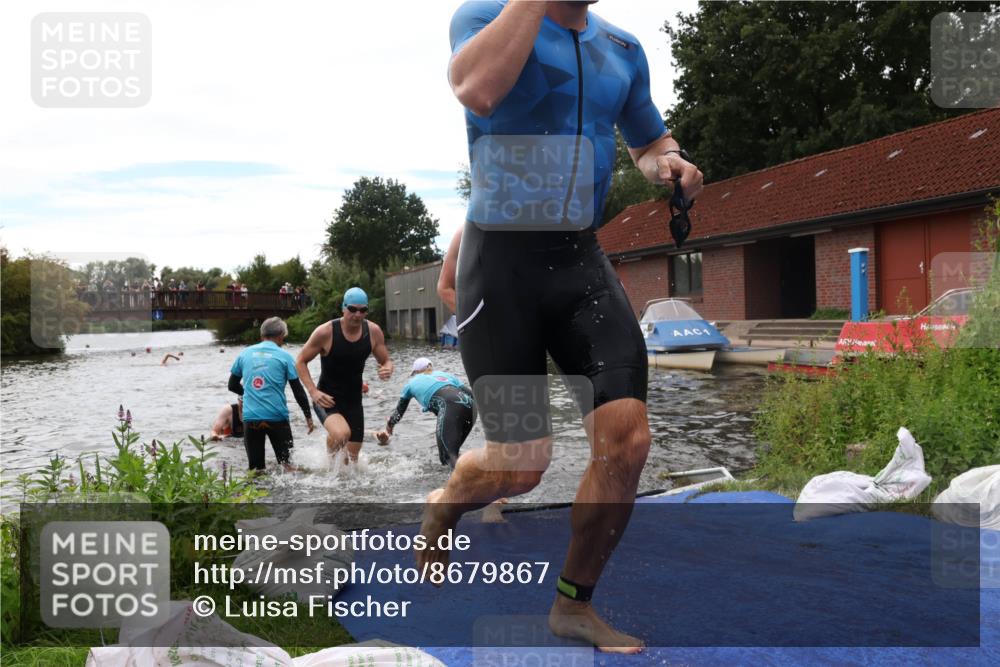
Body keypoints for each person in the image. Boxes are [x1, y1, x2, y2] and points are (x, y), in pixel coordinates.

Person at [416, 1, 705, 653]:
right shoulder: (487, 15)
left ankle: (574, 604)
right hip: (501, 265)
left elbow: (648, 141)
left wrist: (670, 165)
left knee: (627, 441)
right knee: (523, 466)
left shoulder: (624, 50)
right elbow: (477, 90)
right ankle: (447, 498)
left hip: (579, 258)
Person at [295, 287, 393, 466]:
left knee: (352, 464)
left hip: (354, 402)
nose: (358, 314)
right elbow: (300, 361)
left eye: (363, 310)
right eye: (353, 309)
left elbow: (386, 360)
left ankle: (336, 477)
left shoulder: (373, 331)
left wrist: (387, 368)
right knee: (341, 435)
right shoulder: (325, 332)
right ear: (343, 308)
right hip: (326, 399)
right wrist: (313, 392)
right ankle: (328, 464)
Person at [228, 317, 314, 472]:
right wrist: (308, 415)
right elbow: (298, 391)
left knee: (255, 470)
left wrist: (248, 394)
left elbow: (232, 385)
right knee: (287, 466)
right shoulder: (285, 356)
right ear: (281, 334)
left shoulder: (244, 354)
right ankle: (288, 497)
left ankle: (256, 495)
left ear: (262, 334)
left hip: (251, 419)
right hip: (277, 418)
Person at [375, 358, 475, 468]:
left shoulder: (410, 383)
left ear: (416, 372)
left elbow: (398, 413)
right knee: (454, 454)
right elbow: (472, 395)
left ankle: (463, 483)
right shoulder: (446, 375)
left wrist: (389, 426)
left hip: (448, 406)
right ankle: (475, 473)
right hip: (471, 408)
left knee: (447, 458)